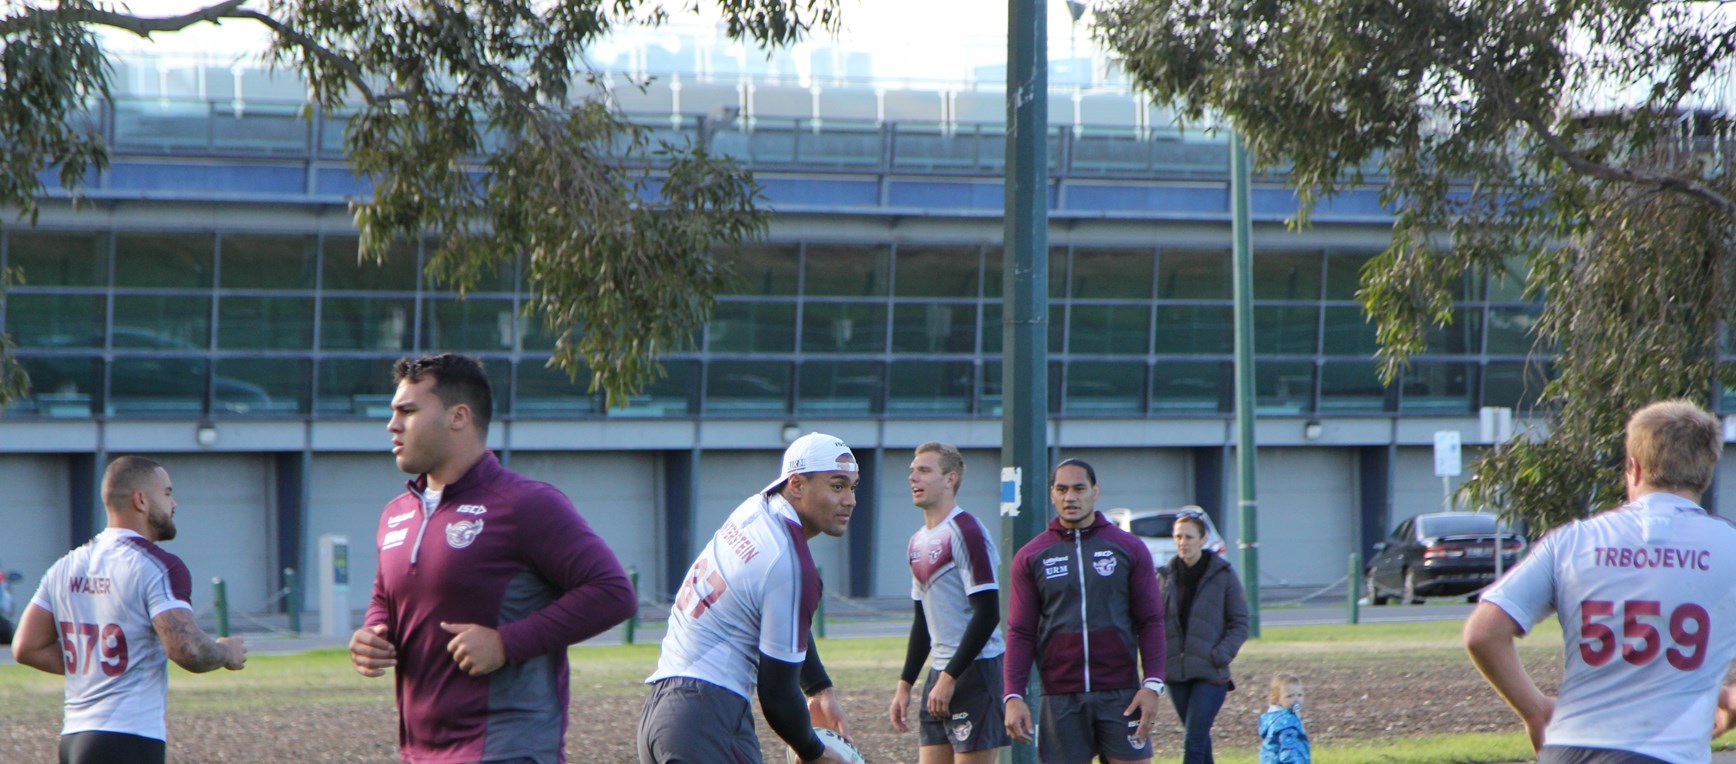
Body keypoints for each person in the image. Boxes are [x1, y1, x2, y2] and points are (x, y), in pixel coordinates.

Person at [348, 352, 636, 763]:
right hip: (419, 754)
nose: (392, 425)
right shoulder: (396, 514)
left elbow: (613, 592)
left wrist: (506, 643)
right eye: (393, 412)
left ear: (458, 416)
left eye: (408, 411)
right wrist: (373, 632)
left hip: (508, 748)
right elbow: (384, 598)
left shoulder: (526, 504)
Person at [1465, 399, 1736, 763]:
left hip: (1569, 749)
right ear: (1706, 472)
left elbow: (1483, 633)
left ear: (1634, 468)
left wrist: (1535, 710)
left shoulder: (1573, 540)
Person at [638, 432, 861, 764]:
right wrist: (814, 752)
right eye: (837, 486)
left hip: (662, 713)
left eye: (853, 487)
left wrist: (818, 689)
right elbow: (777, 695)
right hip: (707, 719)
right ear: (797, 485)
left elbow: (780, 614)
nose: (850, 500)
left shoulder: (755, 509)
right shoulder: (790, 564)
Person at [11, 456, 247, 764]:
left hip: (73, 739)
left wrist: (96, 666)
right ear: (141, 500)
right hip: (127, 738)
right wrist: (226, 652)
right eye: (167, 493)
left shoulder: (65, 565)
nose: (173, 504)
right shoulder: (158, 566)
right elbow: (186, 649)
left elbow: (27, 647)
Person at [1003, 458, 1168, 764]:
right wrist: (1013, 695)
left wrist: (1153, 684)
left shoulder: (1129, 547)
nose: (1070, 497)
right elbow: (1020, 632)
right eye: (1062, 489)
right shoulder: (1032, 556)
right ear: (1052, 494)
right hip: (1060, 697)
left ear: (1095, 491)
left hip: (1122, 694)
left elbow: (1151, 621)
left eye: (1079, 488)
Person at [888, 441, 1009, 763]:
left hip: (976, 671)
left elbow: (987, 613)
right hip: (940, 673)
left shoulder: (966, 531)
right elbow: (922, 623)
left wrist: (951, 677)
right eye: (912, 471)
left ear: (950, 478)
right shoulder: (917, 541)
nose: (913, 478)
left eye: (924, 471)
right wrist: (905, 684)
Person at [1158, 510, 1250, 764]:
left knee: (1193, 742)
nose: (1182, 542)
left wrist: (1219, 655)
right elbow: (1151, 623)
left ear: (1203, 539)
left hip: (1210, 672)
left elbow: (1240, 622)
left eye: (1188, 537)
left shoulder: (1222, 574)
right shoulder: (1164, 577)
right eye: (1178, 537)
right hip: (1176, 673)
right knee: (1198, 738)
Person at [1258, 673, 1309, 764]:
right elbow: (1289, 749)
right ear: (1277, 699)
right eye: (1290, 696)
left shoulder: (1273, 717)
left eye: (1299, 695)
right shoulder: (1286, 722)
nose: (1296, 699)